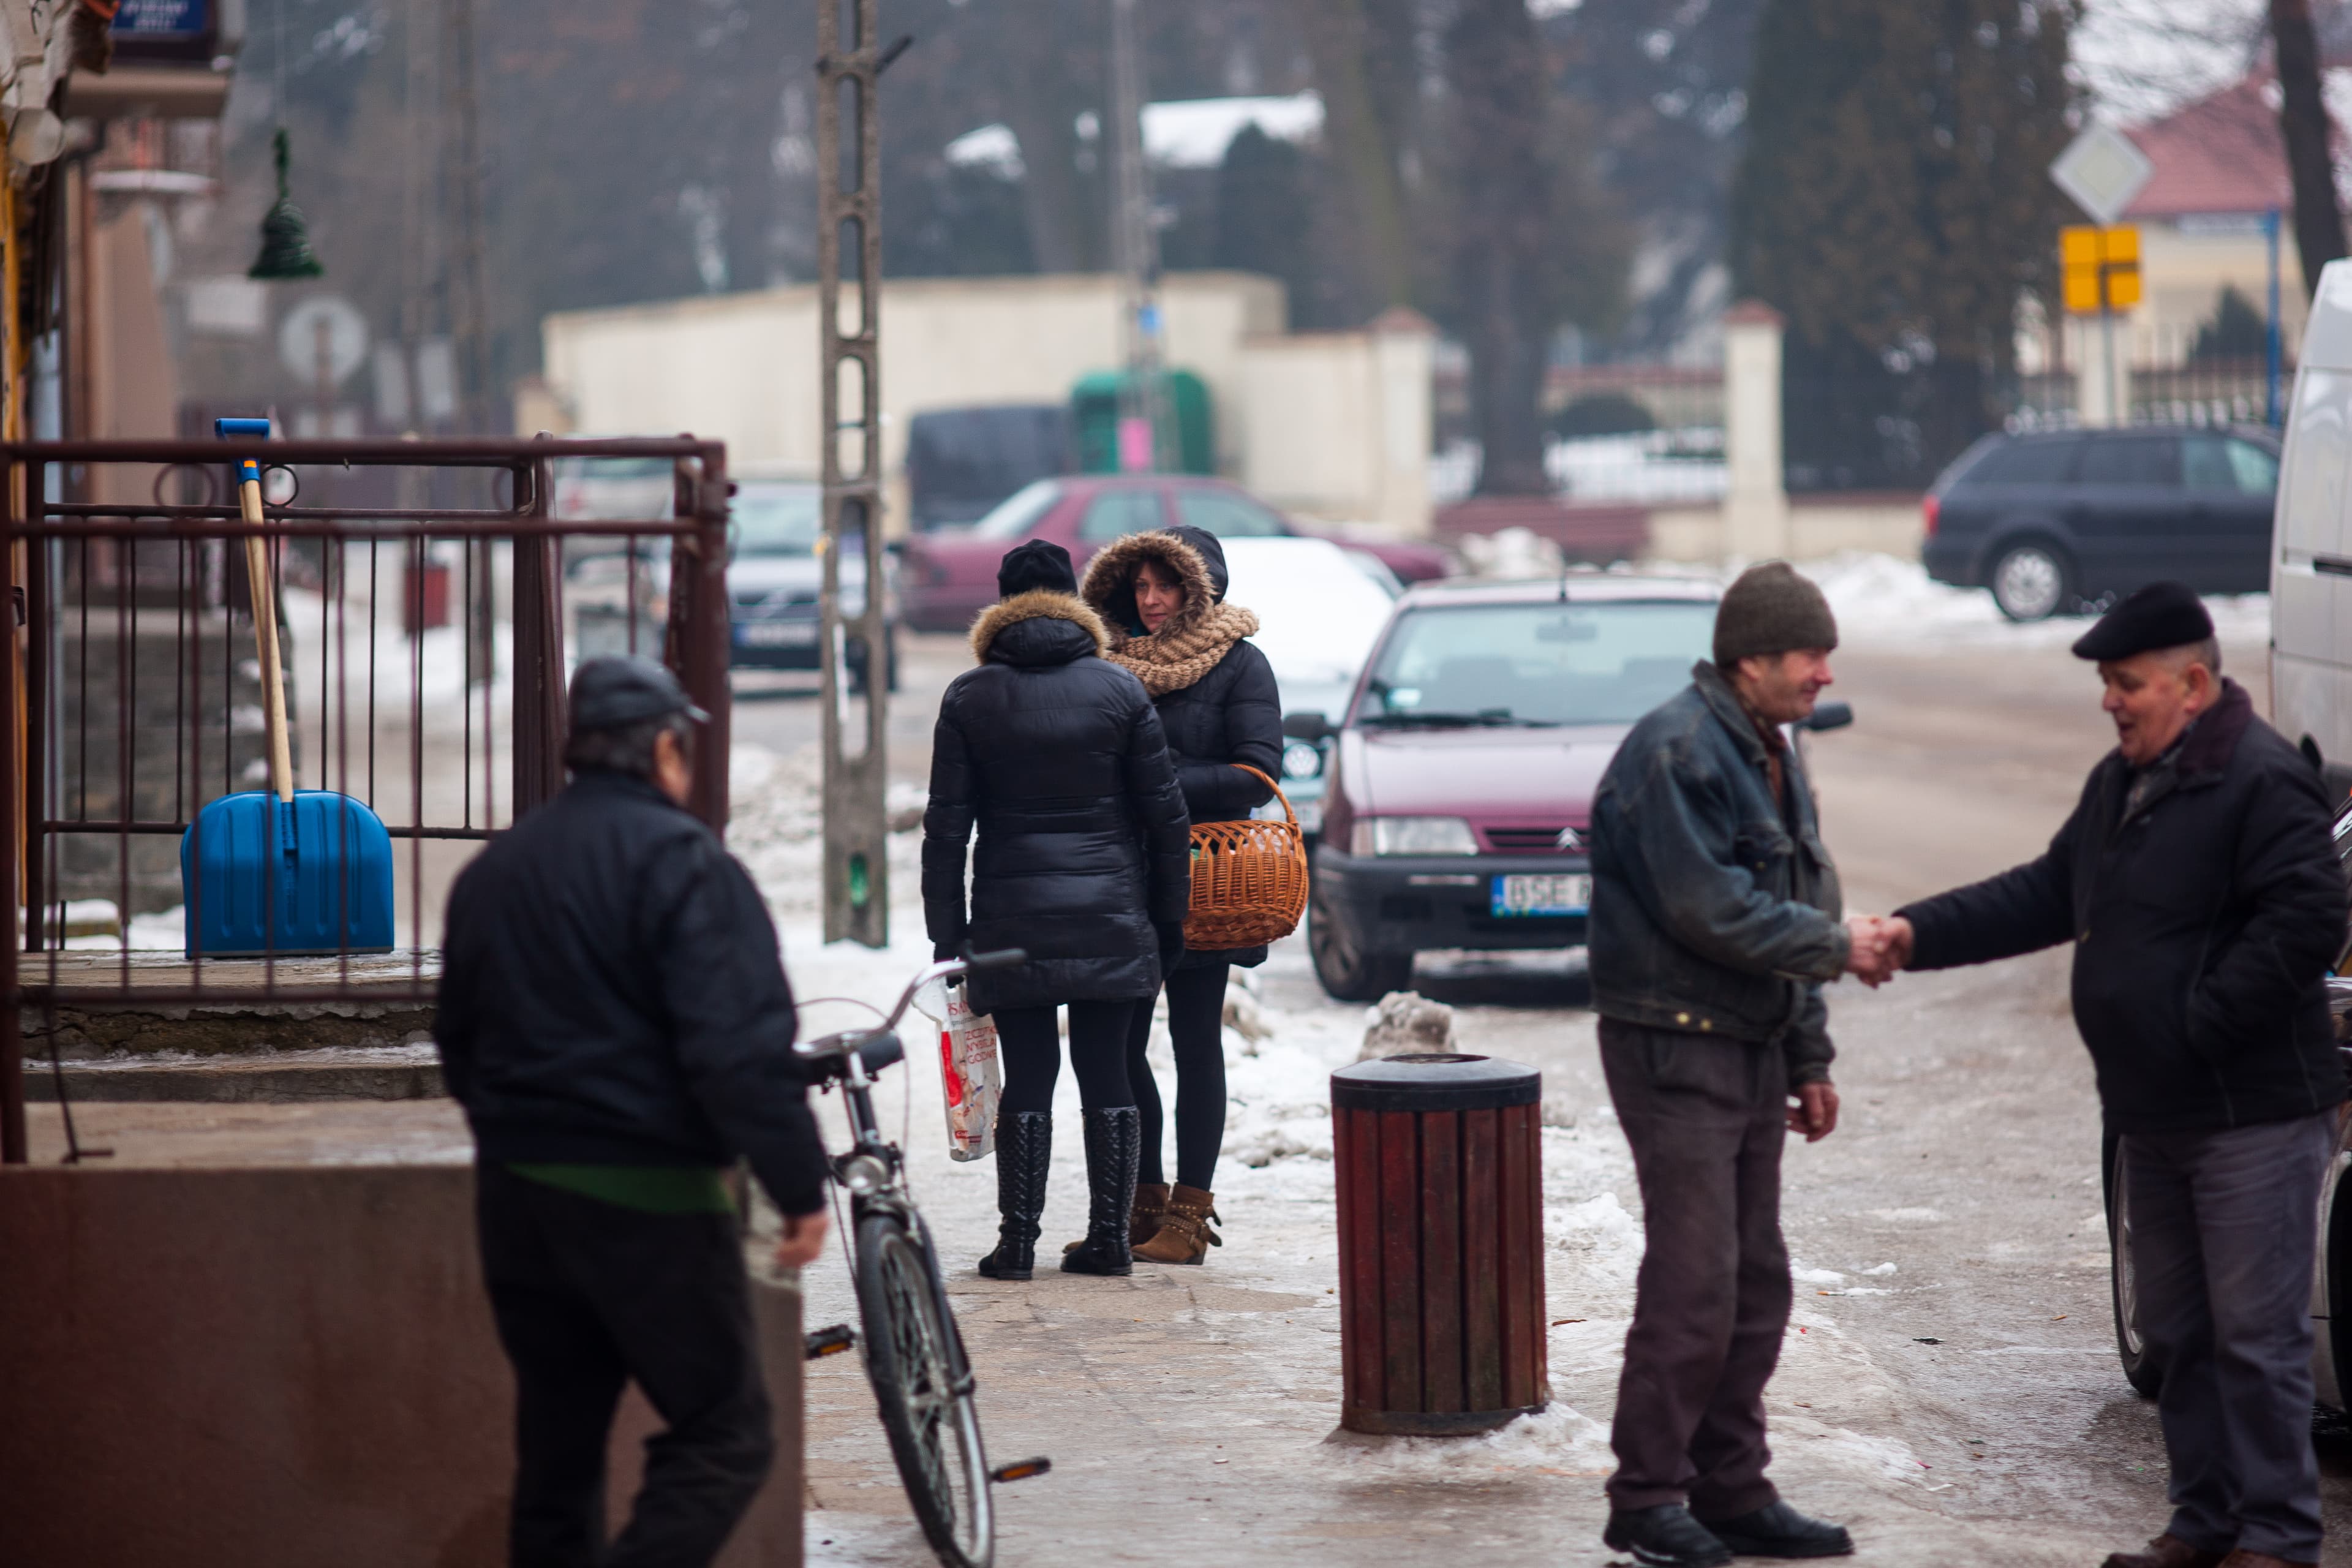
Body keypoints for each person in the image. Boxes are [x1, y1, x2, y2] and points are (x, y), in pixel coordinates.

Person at [1857, 583, 2347, 1568]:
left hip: (2246, 1115)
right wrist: (1915, 931)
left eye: (2127, 683)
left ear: (2194, 683)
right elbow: (2045, 891)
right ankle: (2204, 1524)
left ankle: (2279, 1540)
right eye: (2108, 685)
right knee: (2177, 1335)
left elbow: (2307, 919)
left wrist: (2197, 1025)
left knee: (2256, 1339)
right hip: (2153, 1116)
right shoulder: (2123, 783)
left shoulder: (2260, 781)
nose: (2110, 702)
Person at [434, 655, 832, 1568]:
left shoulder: (499, 868)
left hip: (517, 1196)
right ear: (663, 749)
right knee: (725, 1433)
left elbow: (458, 1038)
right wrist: (800, 1189)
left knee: (558, 1453)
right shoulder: (686, 863)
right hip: (645, 1196)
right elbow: (736, 1051)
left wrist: (518, 1133)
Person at [1585, 561, 1892, 1567]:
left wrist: (1810, 1050)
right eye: (1811, 654)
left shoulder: (1769, 746)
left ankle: (1729, 1490)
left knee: (1756, 1282)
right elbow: (1707, 910)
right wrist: (1839, 947)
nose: (1824, 673)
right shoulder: (1678, 751)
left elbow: (1793, 895)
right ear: (1752, 658)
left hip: (1750, 1046)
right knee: (1696, 1282)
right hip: (1674, 1043)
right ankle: (1647, 1500)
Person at [922, 538, 1192, 1280]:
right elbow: (1165, 817)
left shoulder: (970, 697)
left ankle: (1017, 1244)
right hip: (1111, 911)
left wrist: (948, 937)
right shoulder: (1119, 690)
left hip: (1012, 922)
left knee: (1030, 1073)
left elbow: (947, 826)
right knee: (1108, 1068)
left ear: (1001, 607)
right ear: (1073, 602)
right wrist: (1169, 922)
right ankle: (1109, 1238)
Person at [1074, 524, 1280, 1264]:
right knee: (1123, 1045)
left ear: (1202, 589)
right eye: (1141, 587)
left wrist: (1157, 780)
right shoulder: (1107, 665)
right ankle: (1144, 1201)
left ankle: (1191, 1217)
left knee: (1195, 1042)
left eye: (1167, 586)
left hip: (1202, 875)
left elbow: (1258, 773)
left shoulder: (1241, 665)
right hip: (1124, 878)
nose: (1152, 600)